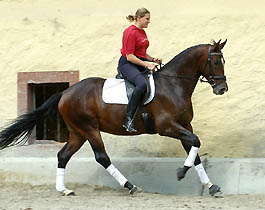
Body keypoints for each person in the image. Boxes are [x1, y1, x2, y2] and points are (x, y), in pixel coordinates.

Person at [118, 8, 162, 133]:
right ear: (139, 18)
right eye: (147, 19)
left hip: (138, 63)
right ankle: (128, 119)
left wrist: (152, 59)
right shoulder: (130, 32)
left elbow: (141, 52)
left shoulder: (142, 31)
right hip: (127, 64)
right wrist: (147, 65)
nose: (149, 22)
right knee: (141, 84)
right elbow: (130, 56)